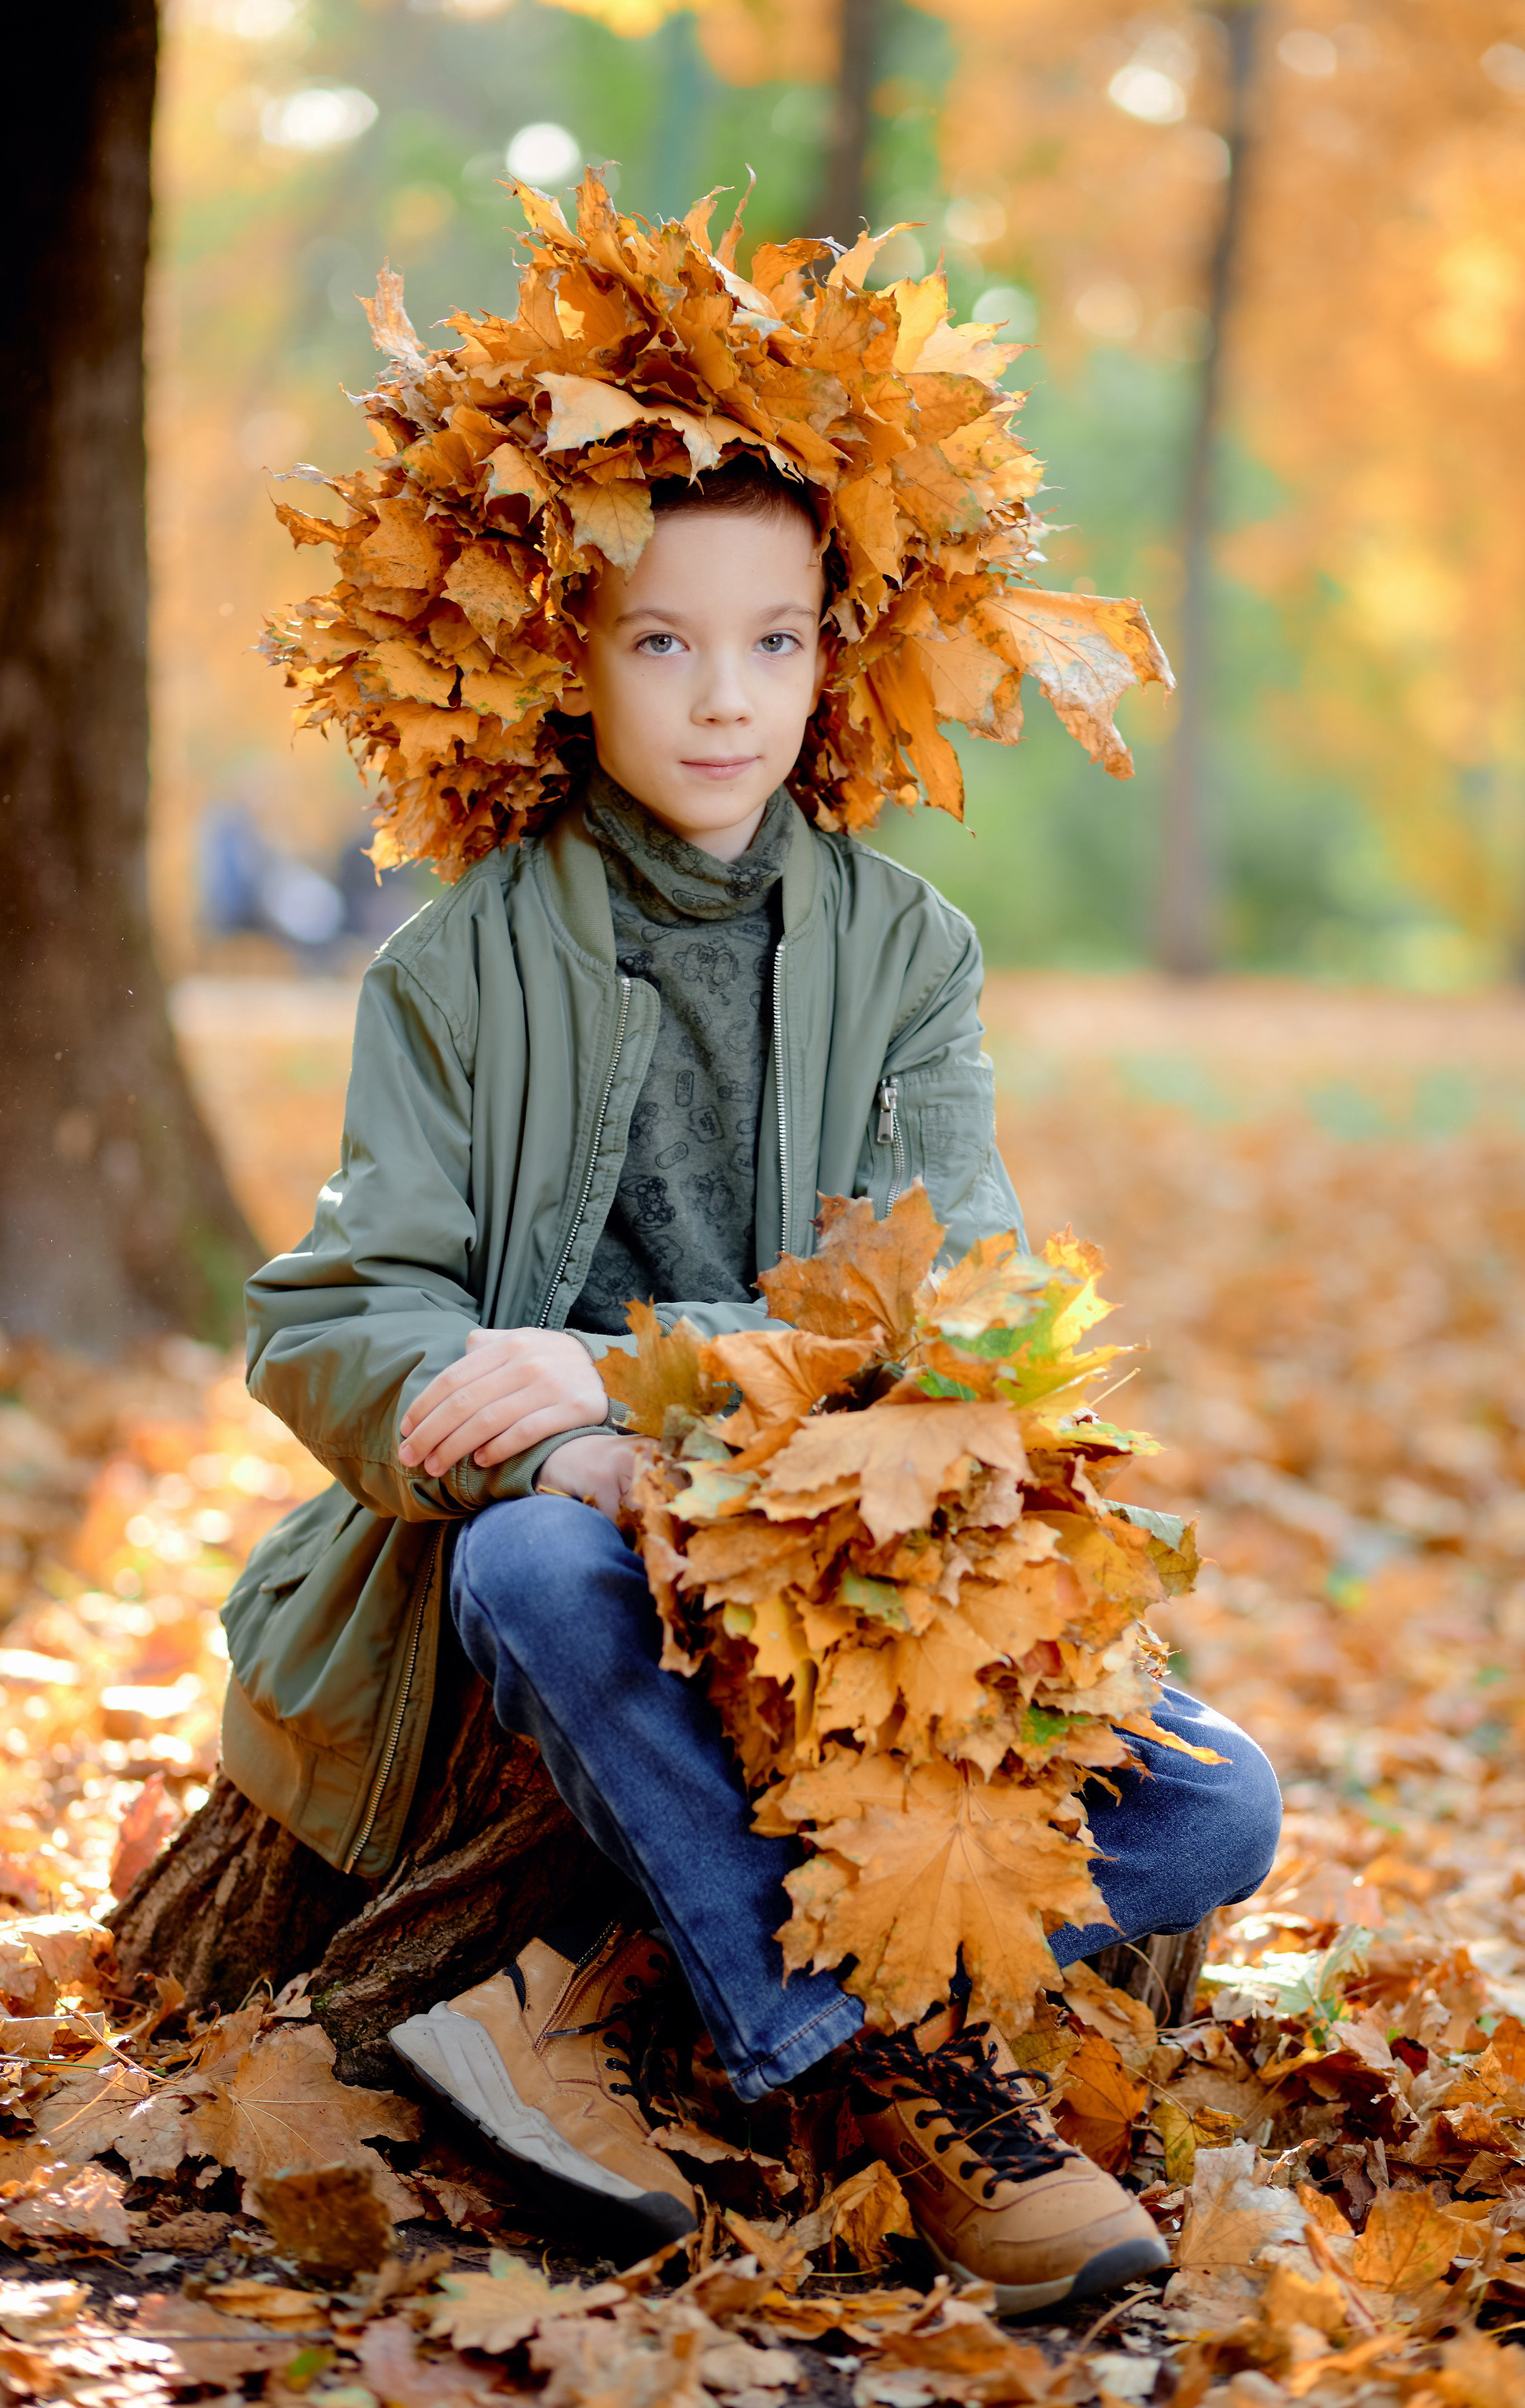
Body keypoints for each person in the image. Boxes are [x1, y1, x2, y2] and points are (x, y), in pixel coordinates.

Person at [226, 191, 1281, 2318]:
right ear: (568, 653)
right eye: (663, 642)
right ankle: (913, 2071)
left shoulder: (909, 954)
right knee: (534, 1569)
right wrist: (561, 1446)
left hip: (837, 1554)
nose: (728, 700)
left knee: (1220, 1808)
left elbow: (959, 1310)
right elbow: (344, 1315)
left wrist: (628, 1374)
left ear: (835, 652)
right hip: (569, 1556)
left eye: (777, 641)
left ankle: (682, 2021)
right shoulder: (458, 966)